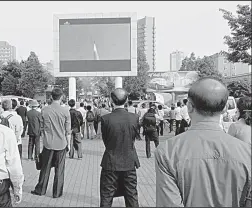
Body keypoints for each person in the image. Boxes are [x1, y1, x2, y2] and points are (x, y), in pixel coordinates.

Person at [154, 78, 251, 207]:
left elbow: (168, 203)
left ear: (189, 106)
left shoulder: (168, 151)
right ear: (225, 108)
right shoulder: (247, 153)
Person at [100, 88, 140, 207]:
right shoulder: (134, 117)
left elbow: (106, 141)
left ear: (110, 101)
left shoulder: (106, 119)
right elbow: (134, 137)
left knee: (106, 196)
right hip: (129, 161)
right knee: (132, 195)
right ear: (127, 100)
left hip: (110, 162)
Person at [31, 88, 71, 198]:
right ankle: (57, 193)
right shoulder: (65, 111)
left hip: (48, 143)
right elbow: (68, 131)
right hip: (61, 143)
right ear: (62, 97)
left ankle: (40, 189)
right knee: (60, 169)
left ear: (51, 97)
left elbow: (41, 128)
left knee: (45, 168)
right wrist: (69, 145)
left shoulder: (44, 110)